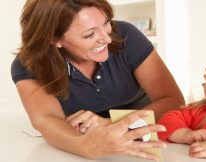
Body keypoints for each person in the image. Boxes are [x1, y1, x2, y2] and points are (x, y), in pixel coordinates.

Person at [11, 0, 185, 161]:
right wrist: (87, 146)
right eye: (89, 35)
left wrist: (111, 124)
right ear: (55, 39)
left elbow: (173, 100)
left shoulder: (126, 35)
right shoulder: (28, 64)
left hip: (150, 132)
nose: (107, 39)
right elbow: (45, 120)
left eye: (106, 22)